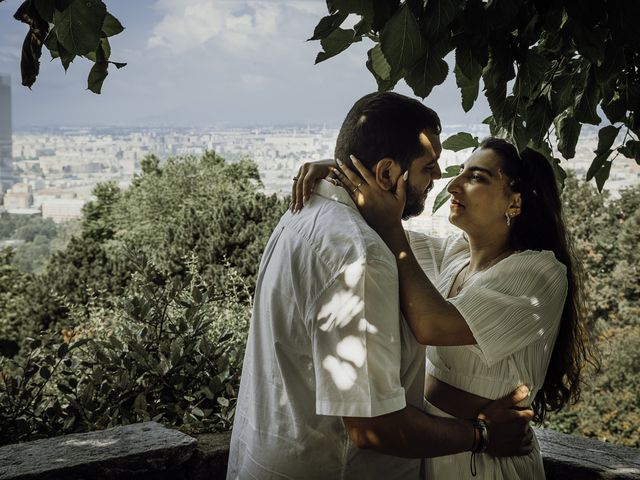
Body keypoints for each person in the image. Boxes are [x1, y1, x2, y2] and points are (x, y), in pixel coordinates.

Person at [227, 93, 534, 480]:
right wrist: (484, 435)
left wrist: (341, 170)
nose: (439, 179)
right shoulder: (360, 257)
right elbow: (374, 427)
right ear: (388, 174)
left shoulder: (303, 213)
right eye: (429, 166)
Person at [293, 137, 591, 478]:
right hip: (447, 448)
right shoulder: (453, 254)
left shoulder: (539, 273)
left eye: (476, 177)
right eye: (460, 173)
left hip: (489, 465)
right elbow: (374, 221)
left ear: (516, 201)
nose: (453, 185)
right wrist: (339, 173)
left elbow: (431, 325)